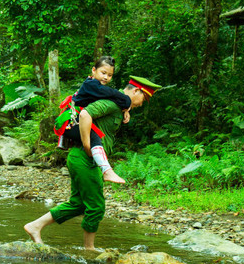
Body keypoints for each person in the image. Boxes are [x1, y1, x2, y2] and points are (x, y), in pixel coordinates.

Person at [26, 76, 161, 251]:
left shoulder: (119, 105)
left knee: (79, 204)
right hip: (84, 158)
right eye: (144, 98)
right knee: (96, 205)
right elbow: (85, 114)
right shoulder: (113, 103)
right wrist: (88, 144)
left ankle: (35, 226)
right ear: (136, 91)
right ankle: (89, 249)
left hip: (81, 158)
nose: (142, 104)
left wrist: (125, 108)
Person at [55, 56, 133, 183]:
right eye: (103, 73)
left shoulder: (94, 85)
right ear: (93, 70)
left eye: (110, 75)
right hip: (70, 121)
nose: (106, 77)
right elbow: (110, 93)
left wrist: (126, 109)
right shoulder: (91, 85)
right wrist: (126, 100)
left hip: (73, 119)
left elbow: (109, 96)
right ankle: (107, 171)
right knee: (94, 136)